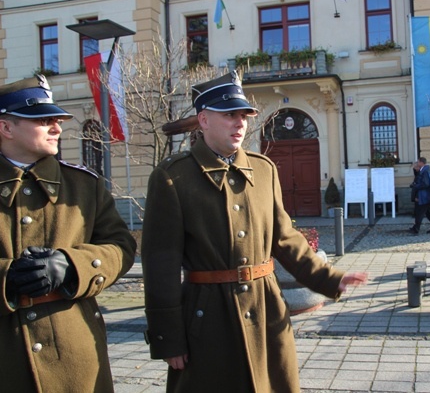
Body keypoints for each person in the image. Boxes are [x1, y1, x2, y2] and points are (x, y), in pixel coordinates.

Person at [141, 71, 367, 393]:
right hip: (208, 319)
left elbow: (285, 239)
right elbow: (160, 265)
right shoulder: (173, 178)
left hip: (267, 313)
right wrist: (168, 337)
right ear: (203, 120)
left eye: (244, 115)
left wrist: (330, 277)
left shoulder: (264, 170)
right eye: (229, 114)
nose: (240, 123)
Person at [0, 75, 137, 392]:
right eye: (43, 120)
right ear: (6, 128)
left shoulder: (83, 186)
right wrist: (8, 278)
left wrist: (73, 265)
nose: (57, 128)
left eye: (57, 119)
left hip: (75, 359)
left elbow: (121, 247)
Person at [408, 157, 430, 234]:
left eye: (418, 162)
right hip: (426, 196)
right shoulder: (425, 170)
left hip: (424, 196)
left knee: (419, 213)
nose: (417, 163)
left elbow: (425, 184)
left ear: (422, 163)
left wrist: (415, 186)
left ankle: (416, 229)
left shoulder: (425, 171)